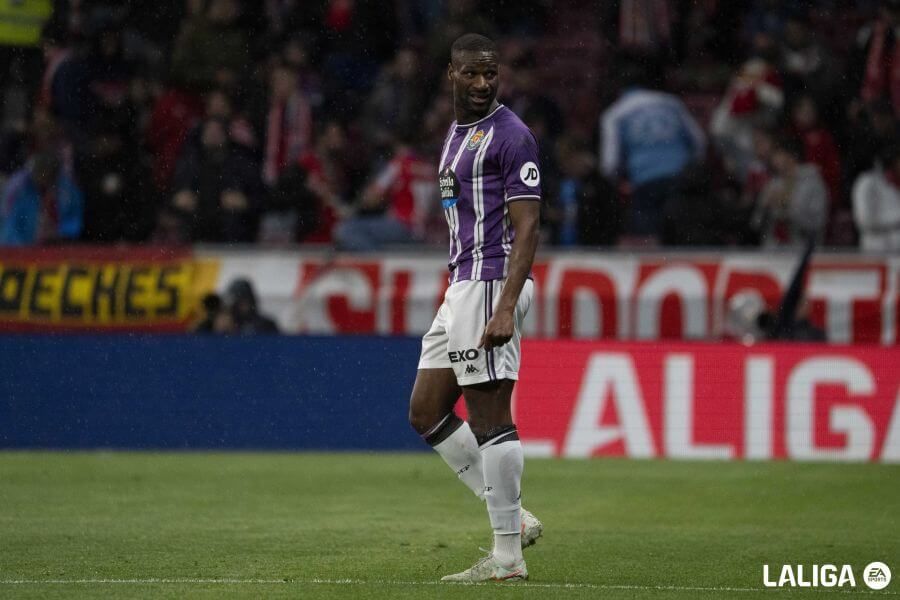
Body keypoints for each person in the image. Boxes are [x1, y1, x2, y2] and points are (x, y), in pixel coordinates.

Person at [408, 33, 542, 584]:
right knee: (425, 411)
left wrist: (507, 304)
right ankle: (517, 518)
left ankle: (507, 556)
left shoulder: (512, 136)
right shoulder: (460, 134)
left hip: (490, 283)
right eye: (473, 74)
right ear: (452, 75)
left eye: (491, 74)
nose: (484, 83)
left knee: (491, 421)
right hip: (460, 285)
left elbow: (529, 224)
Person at [601, 61, 706, 240]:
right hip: (681, 179)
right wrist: (691, 169)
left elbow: (609, 164)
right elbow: (699, 141)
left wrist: (620, 183)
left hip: (645, 184)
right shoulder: (671, 103)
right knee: (684, 238)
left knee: (649, 241)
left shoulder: (615, 114)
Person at [752, 135, 827, 247]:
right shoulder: (773, 184)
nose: (773, 159)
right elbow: (755, 224)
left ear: (791, 156)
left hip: (802, 250)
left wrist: (787, 206)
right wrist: (764, 207)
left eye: (777, 154)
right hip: (772, 252)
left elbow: (818, 223)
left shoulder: (813, 182)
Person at [0, 152, 83, 245]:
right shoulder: (20, 189)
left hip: (59, 246)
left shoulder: (67, 190)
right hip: (23, 246)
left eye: (48, 175)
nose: (43, 179)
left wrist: (62, 235)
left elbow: (73, 219)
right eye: (40, 173)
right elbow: (10, 226)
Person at [852, 144, 900, 252]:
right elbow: (864, 221)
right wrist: (896, 219)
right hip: (875, 251)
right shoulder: (867, 182)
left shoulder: (895, 184)